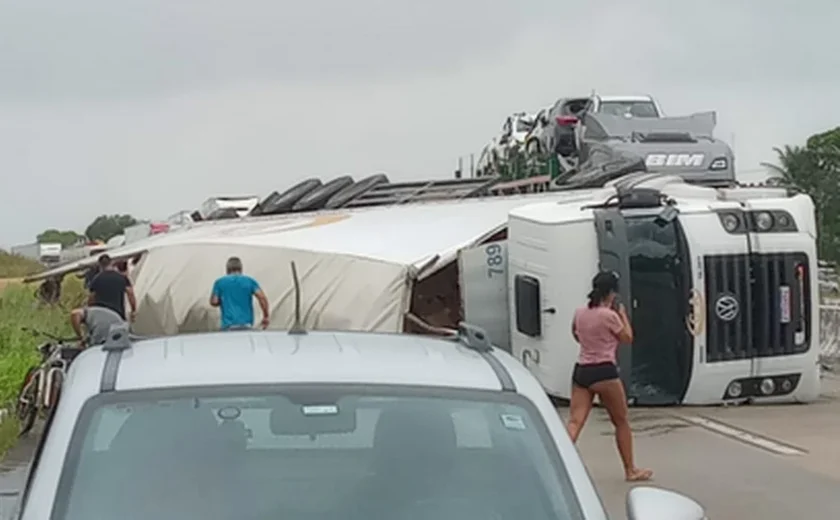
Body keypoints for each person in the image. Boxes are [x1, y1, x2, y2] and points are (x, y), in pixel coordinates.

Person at [566, 271, 653, 482]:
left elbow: (576, 334)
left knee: (575, 421)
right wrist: (623, 315)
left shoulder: (580, 312)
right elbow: (627, 337)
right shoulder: (610, 316)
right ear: (612, 292)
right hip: (604, 370)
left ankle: (560, 462)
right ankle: (630, 469)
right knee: (621, 421)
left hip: (582, 369)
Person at [210, 257, 270, 330]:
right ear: (241, 268)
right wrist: (265, 316)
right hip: (246, 325)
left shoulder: (219, 282)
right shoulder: (249, 281)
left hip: (227, 326)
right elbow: (262, 298)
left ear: (227, 269)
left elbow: (214, 301)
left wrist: (223, 300)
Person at [89, 254, 138, 321]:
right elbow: (130, 294)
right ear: (111, 263)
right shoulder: (122, 278)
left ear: (100, 265)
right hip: (118, 315)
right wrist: (133, 310)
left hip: (102, 316)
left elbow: (91, 298)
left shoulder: (96, 280)